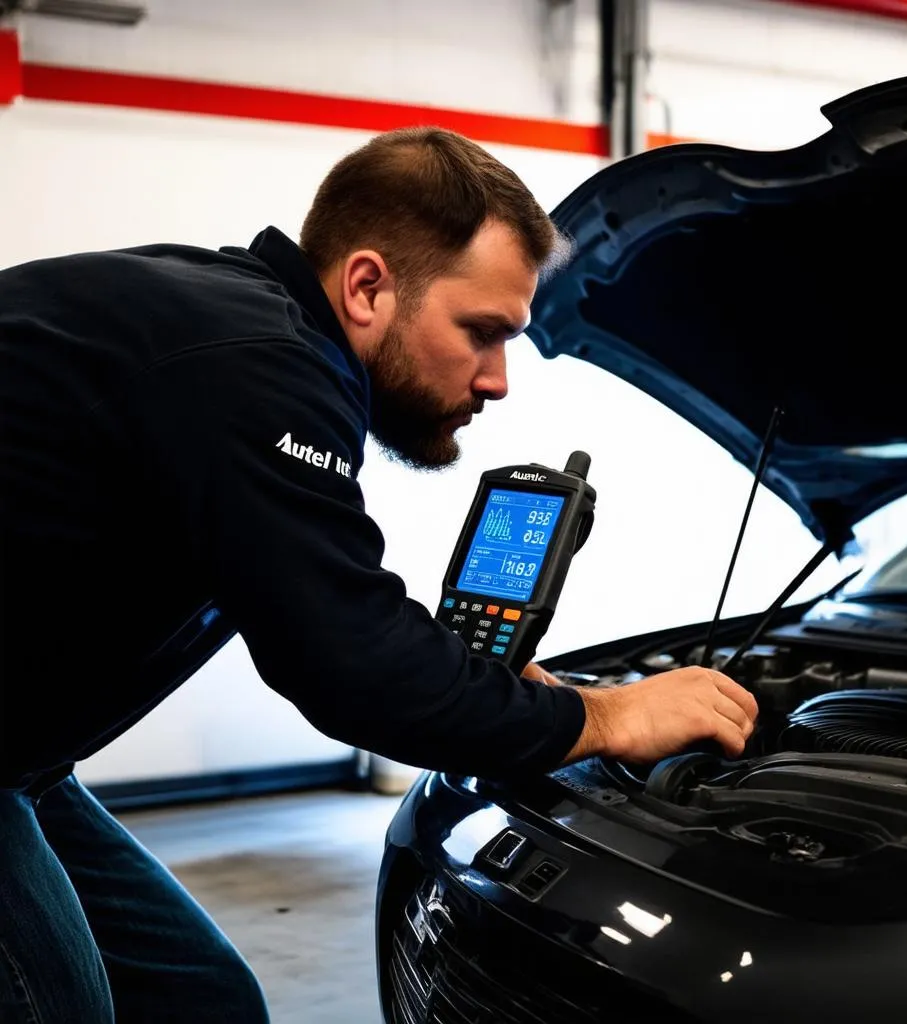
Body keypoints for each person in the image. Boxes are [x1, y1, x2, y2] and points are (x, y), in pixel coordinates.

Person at [0, 127, 758, 1021]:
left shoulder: (227, 329)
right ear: (367, 286)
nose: (499, 379)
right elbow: (351, 666)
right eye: (482, 332)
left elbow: (325, 599)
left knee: (202, 1001)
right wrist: (602, 717)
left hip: (25, 756)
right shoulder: (256, 367)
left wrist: (472, 678)